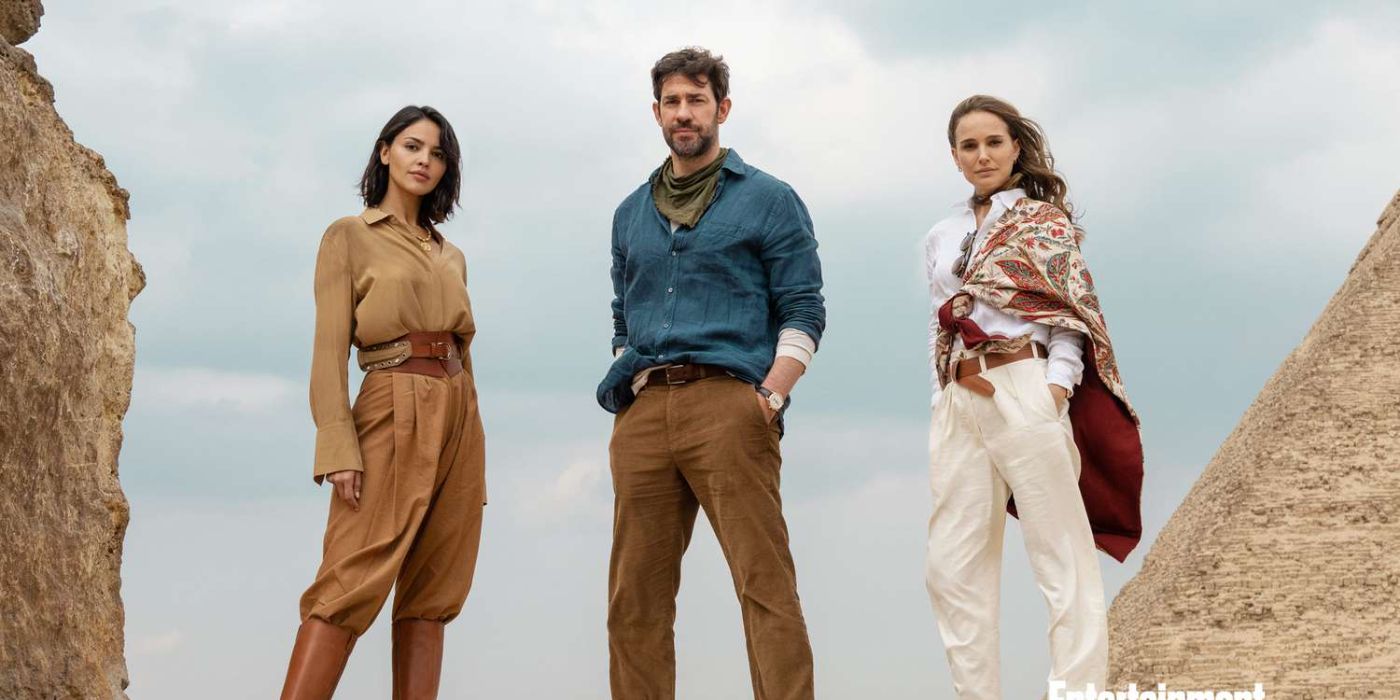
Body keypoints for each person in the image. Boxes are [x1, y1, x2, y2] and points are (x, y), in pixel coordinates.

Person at [598, 47, 826, 700]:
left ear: (721, 109)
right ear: (656, 113)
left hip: (731, 404)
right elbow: (624, 314)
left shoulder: (771, 200)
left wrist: (772, 394)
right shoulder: (628, 213)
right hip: (644, 411)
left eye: (697, 100)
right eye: (672, 101)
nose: (684, 112)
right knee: (633, 600)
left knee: (764, 586)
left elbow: (804, 307)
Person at [922, 95, 1144, 699]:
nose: (983, 154)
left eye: (994, 142)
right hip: (959, 396)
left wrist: (1054, 391)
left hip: (1024, 383)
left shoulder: (1043, 222)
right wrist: (945, 395)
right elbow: (942, 318)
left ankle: (1076, 691)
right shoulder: (941, 233)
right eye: (969, 145)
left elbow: (1071, 315)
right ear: (954, 155)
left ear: (1016, 147)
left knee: (1060, 558)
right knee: (951, 568)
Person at [278, 105, 486, 700]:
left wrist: (469, 435)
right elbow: (327, 352)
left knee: (435, 588)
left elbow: (462, 350)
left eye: (439, 153)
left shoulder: (451, 254)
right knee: (349, 578)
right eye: (415, 146)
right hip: (390, 401)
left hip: (459, 411)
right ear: (386, 152)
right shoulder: (349, 236)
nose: (426, 160)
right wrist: (337, 445)